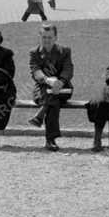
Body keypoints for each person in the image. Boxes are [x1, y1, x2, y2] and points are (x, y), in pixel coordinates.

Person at [27, 23, 74, 151]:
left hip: (63, 88)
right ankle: (50, 140)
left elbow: (68, 69)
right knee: (53, 101)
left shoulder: (65, 51)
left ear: (56, 38)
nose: (47, 40)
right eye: (44, 37)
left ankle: (41, 114)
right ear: (39, 37)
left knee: (52, 97)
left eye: (50, 37)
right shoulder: (34, 52)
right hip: (42, 88)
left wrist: (60, 82)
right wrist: (48, 80)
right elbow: (35, 71)